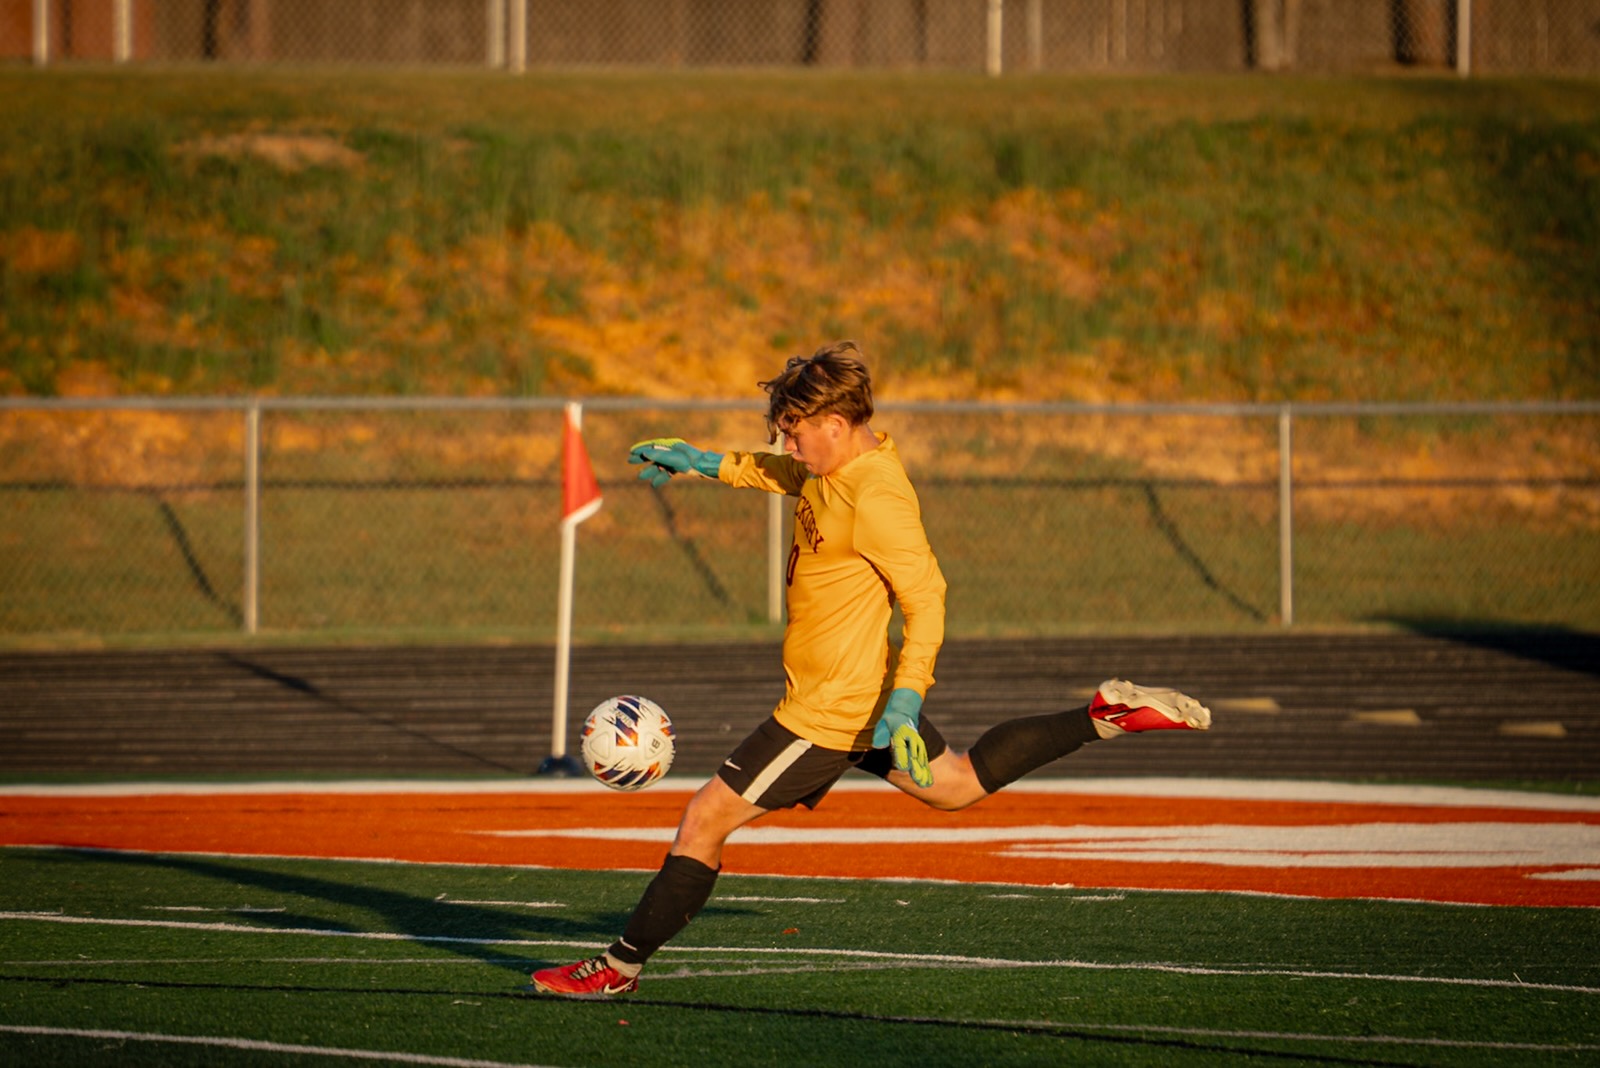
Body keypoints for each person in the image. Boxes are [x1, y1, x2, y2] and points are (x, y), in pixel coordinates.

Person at [532, 340, 1210, 998]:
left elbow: (929, 600)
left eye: (795, 433)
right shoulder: (835, 468)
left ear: (835, 424)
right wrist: (703, 462)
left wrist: (907, 701)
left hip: (828, 711)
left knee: (704, 820)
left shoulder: (877, 499)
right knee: (957, 786)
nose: (787, 445)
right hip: (863, 696)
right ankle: (1104, 717)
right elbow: (784, 475)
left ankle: (616, 968)